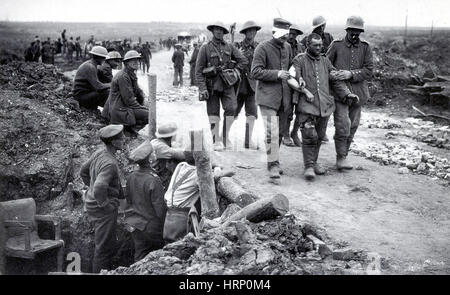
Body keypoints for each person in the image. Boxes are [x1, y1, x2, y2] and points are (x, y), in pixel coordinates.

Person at [290, 33, 356, 180]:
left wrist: (347, 94)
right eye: (316, 45)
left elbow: (335, 79)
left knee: (319, 136)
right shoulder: (299, 60)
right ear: (308, 45)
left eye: (321, 45)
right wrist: (300, 81)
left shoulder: (325, 61)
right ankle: (308, 167)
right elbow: (294, 76)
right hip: (306, 105)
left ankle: (314, 163)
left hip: (324, 106)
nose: (320, 48)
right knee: (309, 135)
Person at [327, 16, 373, 170]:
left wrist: (351, 74)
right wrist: (335, 74)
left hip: (358, 93)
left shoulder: (366, 47)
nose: (355, 34)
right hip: (340, 93)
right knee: (342, 125)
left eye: (358, 31)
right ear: (347, 30)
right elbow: (326, 65)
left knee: (353, 125)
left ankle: (344, 156)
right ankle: (340, 158)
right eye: (352, 31)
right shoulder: (336, 45)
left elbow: (368, 71)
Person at [251, 18, 293, 184]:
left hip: (284, 98)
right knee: (272, 132)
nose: (284, 38)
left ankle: (274, 158)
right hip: (267, 97)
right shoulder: (262, 48)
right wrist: (277, 74)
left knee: (281, 132)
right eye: (282, 35)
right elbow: (255, 72)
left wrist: (298, 79)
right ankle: (272, 164)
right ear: (274, 32)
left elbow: (290, 69)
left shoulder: (288, 48)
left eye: (286, 35)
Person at [195, 21, 248, 150]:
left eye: (221, 30)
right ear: (212, 31)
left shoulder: (229, 47)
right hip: (211, 86)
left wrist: (235, 70)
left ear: (224, 33)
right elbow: (198, 71)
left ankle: (225, 136)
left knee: (232, 108)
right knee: (213, 113)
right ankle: (216, 140)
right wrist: (202, 88)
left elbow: (243, 60)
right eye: (216, 29)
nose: (219, 32)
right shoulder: (205, 48)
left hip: (227, 84)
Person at [79, 124, 125, 273]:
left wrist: (90, 189)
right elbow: (99, 187)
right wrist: (105, 203)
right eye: (120, 138)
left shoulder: (100, 153)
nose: (124, 139)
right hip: (102, 209)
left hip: (93, 204)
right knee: (104, 247)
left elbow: (83, 171)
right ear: (113, 142)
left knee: (104, 243)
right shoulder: (110, 163)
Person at [125, 140, 167, 262]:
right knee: (158, 256)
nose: (155, 154)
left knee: (139, 255)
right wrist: (165, 226)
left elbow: (129, 199)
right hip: (150, 227)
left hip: (135, 223)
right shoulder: (153, 179)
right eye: (153, 153)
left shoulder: (131, 176)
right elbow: (159, 209)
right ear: (150, 160)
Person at [301, 16, 335, 143]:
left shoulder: (329, 38)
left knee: (325, 105)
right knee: (308, 107)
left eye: (322, 26)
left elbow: (331, 55)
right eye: (318, 27)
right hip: (310, 76)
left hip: (325, 74)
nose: (321, 29)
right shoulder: (306, 39)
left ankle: (322, 132)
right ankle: (304, 132)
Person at [102, 50, 148, 131]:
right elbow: (129, 99)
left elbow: (138, 91)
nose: (136, 62)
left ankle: (129, 129)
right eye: (132, 60)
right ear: (126, 63)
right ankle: (129, 130)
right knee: (149, 115)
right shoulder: (123, 76)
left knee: (147, 108)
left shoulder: (130, 74)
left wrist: (143, 100)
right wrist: (143, 108)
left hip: (123, 107)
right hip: (120, 110)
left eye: (137, 59)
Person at [234, 20, 261, 149]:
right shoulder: (237, 46)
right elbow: (229, 63)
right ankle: (222, 138)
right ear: (245, 33)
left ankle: (247, 141)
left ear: (256, 32)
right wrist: (238, 55)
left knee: (252, 114)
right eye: (248, 30)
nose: (251, 33)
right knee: (232, 112)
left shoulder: (259, 47)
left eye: (253, 30)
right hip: (238, 86)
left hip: (252, 87)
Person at [283, 24, 305, 147]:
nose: (291, 36)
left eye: (294, 34)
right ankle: (285, 134)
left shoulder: (301, 47)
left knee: (301, 109)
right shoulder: (282, 46)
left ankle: (294, 133)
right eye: (290, 33)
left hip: (298, 80)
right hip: (285, 81)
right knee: (287, 109)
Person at [73, 46, 110, 110]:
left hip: (84, 94)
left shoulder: (92, 65)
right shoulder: (90, 67)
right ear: (99, 58)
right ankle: (107, 113)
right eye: (104, 58)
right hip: (81, 97)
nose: (104, 60)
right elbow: (98, 87)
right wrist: (111, 84)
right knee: (107, 92)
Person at [150, 122, 186, 191]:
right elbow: (182, 155)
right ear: (171, 136)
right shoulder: (162, 148)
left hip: (151, 171)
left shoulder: (155, 141)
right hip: (154, 175)